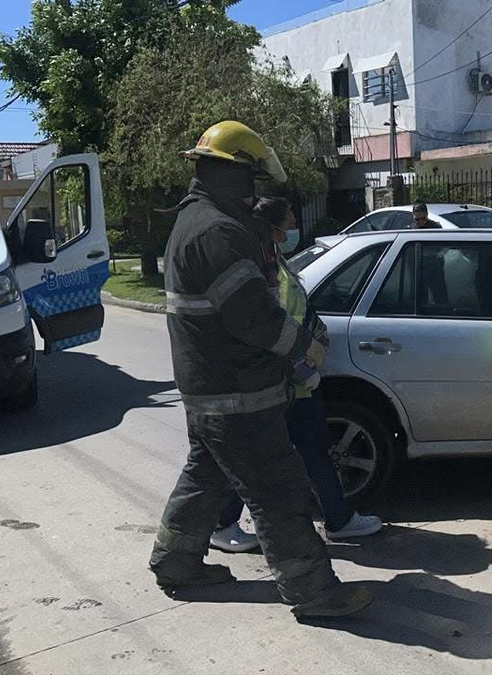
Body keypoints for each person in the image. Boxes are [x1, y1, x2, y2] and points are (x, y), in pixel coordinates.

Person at [148, 121, 371, 619]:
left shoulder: (192, 223)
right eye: (249, 179)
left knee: (206, 476)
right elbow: (251, 315)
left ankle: (175, 562)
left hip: (208, 388)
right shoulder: (218, 231)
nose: (254, 193)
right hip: (238, 390)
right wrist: (304, 348)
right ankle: (313, 591)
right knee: (279, 490)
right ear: (225, 173)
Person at [210, 197, 383, 553]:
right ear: (271, 227)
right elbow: (273, 323)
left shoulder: (276, 260)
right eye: (287, 224)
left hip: (292, 378)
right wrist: (303, 361)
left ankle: (335, 519)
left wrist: (316, 335)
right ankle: (227, 523)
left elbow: (299, 309)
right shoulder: (263, 265)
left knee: (306, 451)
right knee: (272, 455)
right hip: (287, 379)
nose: (292, 230)